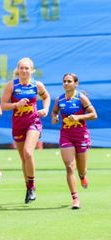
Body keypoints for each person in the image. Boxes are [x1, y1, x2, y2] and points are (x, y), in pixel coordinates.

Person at [0, 57, 50, 204]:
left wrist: (46, 109)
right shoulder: (12, 85)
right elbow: (2, 105)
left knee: (28, 152)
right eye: (21, 68)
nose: (24, 70)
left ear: (32, 70)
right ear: (18, 70)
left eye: (27, 68)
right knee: (24, 158)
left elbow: (46, 96)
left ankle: (32, 186)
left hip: (33, 122)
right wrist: (16, 105)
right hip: (18, 124)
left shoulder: (37, 85)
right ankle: (28, 187)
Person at [51, 73, 97, 209]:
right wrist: (54, 117)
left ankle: (82, 177)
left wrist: (78, 117)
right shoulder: (59, 100)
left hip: (81, 135)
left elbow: (94, 114)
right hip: (66, 136)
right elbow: (54, 113)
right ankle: (75, 198)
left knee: (81, 170)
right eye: (64, 81)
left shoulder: (81, 98)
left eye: (69, 81)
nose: (66, 83)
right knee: (70, 166)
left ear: (76, 83)